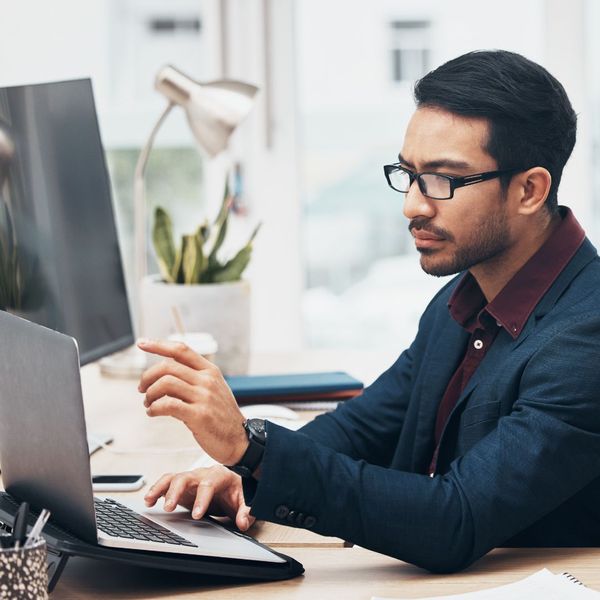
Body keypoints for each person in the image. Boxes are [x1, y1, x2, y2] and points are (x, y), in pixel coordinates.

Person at [136, 50, 600, 573]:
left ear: (529, 190)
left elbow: (456, 518)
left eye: (444, 180)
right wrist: (245, 472)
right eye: (409, 174)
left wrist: (253, 450)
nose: (413, 206)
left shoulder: (586, 336)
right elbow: (363, 428)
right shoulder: (469, 298)